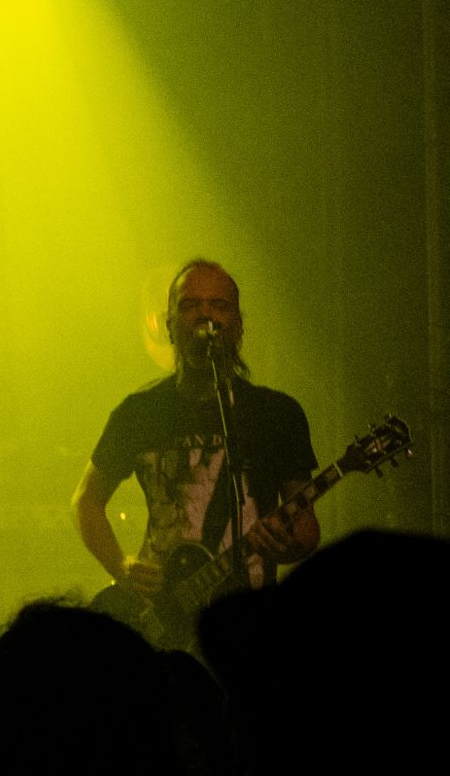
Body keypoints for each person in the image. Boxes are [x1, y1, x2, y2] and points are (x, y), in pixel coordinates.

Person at [71, 259, 319, 634]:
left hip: (249, 622)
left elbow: (307, 528)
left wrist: (286, 545)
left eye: (219, 305)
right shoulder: (139, 412)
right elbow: (86, 501)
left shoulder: (276, 413)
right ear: (170, 325)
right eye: (190, 306)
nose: (205, 316)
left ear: (238, 324)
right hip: (161, 619)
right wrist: (121, 565)